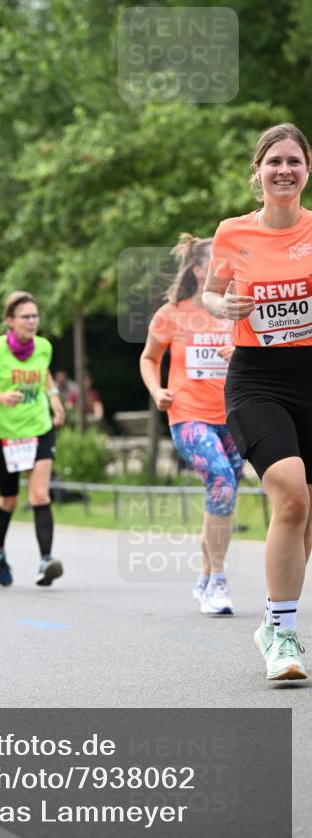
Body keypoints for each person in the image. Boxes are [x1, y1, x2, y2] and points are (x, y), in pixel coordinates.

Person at [203, 122, 312, 680]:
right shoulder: (233, 233)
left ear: (307, 170)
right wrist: (221, 308)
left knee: (305, 508)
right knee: (290, 493)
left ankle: (276, 623)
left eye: (294, 161)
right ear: (258, 173)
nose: (284, 170)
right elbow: (211, 290)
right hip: (258, 380)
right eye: (274, 162)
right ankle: (284, 634)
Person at [140, 234, 243, 615]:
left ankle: (203, 578)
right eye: (217, 261)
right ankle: (218, 580)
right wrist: (157, 391)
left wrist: (239, 354)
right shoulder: (171, 314)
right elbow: (149, 358)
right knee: (221, 481)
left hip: (233, 417)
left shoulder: (237, 312)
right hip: (188, 415)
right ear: (199, 270)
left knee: (222, 496)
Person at [0, 291, 66, 587]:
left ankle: (45, 561)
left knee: (39, 494)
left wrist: (54, 398)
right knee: (9, 500)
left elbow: (44, 374)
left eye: (35, 316)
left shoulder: (44, 347)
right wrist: (1, 396)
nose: (32, 321)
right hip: (4, 434)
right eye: (25, 317)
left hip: (38, 428)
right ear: (10, 321)